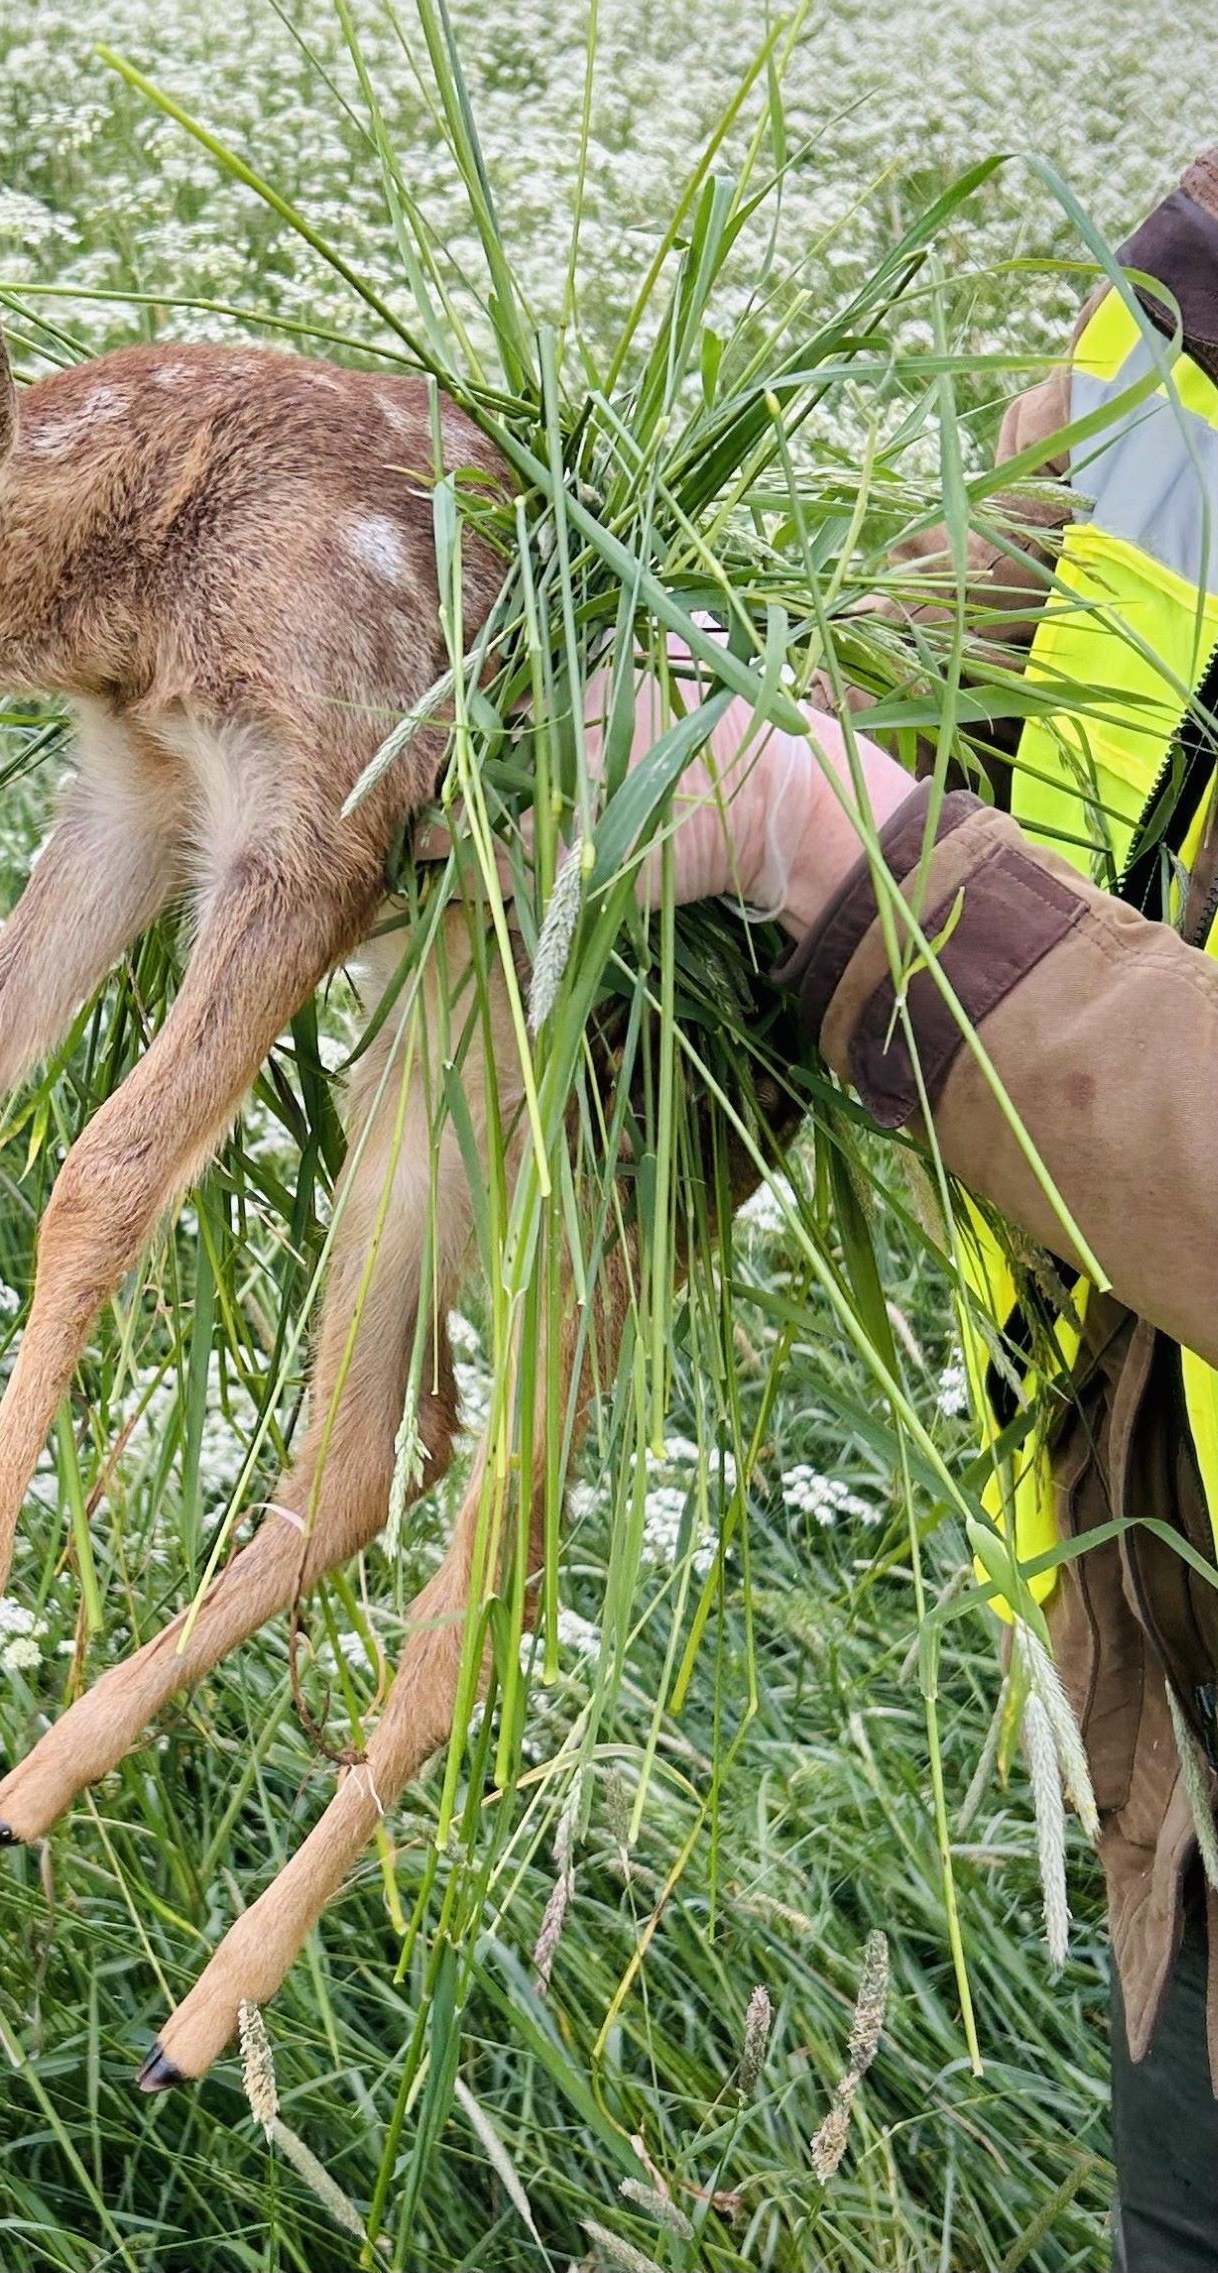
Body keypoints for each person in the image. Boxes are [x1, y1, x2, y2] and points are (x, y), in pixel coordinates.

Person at [645, 158, 1218, 2270]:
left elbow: (853, 822)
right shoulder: (1195, 273)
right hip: (1178, 1638)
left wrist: (828, 842)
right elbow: (977, 641)